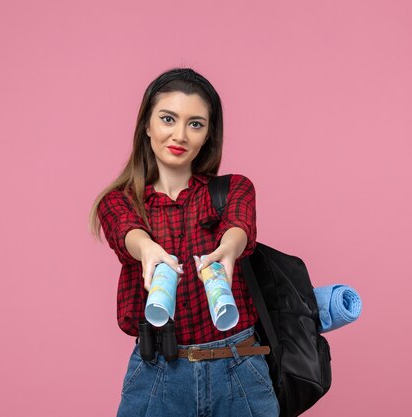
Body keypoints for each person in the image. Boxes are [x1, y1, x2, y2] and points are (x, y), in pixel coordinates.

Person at [89, 68, 279, 417]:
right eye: (167, 119)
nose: (180, 134)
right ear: (146, 125)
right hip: (159, 373)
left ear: (208, 134)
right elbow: (125, 230)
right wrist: (146, 249)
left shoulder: (233, 188)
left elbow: (240, 225)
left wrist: (230, 248)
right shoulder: (120, 201)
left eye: (196, 124)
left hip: (239, 369)